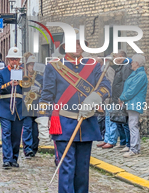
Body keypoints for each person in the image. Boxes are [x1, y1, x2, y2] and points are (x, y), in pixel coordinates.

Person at [39, 30, 111, 193]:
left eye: (80, 43)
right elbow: (47, 94)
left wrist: (94, 98)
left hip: (86, 123)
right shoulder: (54, 66)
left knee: (83, 169)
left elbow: (105, 86)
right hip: (64, 123)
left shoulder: (93, 65)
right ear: (65, 46)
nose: (77, 46)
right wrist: (43, 118)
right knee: (67, 167)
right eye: (74, 43)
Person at [0, 47, 24, 169]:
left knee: (16, 136)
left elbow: (30, 89)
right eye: (12, 59)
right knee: (6, 133)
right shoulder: (1, 73)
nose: (14, 62)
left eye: (16, 59)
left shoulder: (24, 73)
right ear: (8, 60)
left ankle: (14, 158)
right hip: (5, 107)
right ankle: (7, 159)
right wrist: (9, 84)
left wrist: (22, 83)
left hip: (19, 108)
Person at [119, 54, 147, 158]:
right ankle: (135, 148)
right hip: (132, 102)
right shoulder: (137, 74)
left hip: (134, 103)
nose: (131, 63)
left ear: (137, 63)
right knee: (132, 125)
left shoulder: (140, 75)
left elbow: (132, 90)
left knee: (133, 125)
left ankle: (134, 149)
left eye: (133, 62)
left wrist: (122, 97)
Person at [109, 51, 133, 152]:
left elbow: (125, 82)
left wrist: (122, 98)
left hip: (121, 99)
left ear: (122, 57)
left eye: (115, 56)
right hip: (116, 98)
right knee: (118, 121)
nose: (114, 58)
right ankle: (122, 142)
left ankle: (128, 143)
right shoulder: (120, 67)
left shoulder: (126, 66)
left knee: (124, 122)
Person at [22, 55, 43, 158]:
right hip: (26, 105)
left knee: (36, 130)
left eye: (34, 65)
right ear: (27, 66)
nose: (32, 67)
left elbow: (46, 91)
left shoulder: (41, 78)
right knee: (27, 128)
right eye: (30, 65)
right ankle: (27, 149)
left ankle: (34, 148)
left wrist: (39, 90)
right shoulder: (23, 77)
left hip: (36, 105)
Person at [95, 57, 116, 149]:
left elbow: (111, 83)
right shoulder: (100, 71)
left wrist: (109, 95)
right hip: (104, 99)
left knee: (111, 120)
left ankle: (111, 140)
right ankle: (107, 139)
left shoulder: (108, 70)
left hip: (110, 99)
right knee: (107, 120)